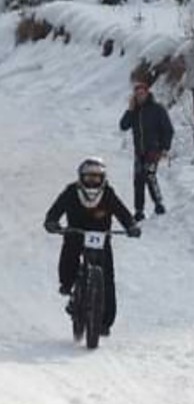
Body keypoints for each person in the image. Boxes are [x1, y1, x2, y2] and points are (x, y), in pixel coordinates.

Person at [44, 157, 141, 336]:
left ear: (103, 178)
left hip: (101, 237)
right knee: (69, 255)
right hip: (76, 232)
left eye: (96, 177)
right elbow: (56, 210)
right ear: (81, 177)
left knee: (107, 277)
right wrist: (51, 221)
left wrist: (131, 226)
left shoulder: (108, 194)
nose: (92, 181)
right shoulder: (71, 191)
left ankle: (104, 322)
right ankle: (67, 284)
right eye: (89, 177)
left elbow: (122, 212)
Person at [119, 80, 174, 220]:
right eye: (137, 94)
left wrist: (165, 147)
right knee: (138, 180)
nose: (140, 96)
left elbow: (168, 129)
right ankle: (139, 211)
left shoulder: (157, 109)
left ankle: (159, 204)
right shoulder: (134, 111)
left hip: (153, 150)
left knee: (150, 176)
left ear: (147, 93)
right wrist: (129, 110)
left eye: (142, 93)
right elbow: (123, 126)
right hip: (139, 152)